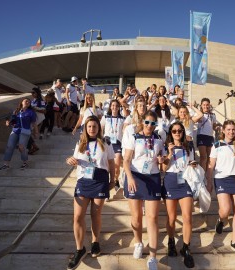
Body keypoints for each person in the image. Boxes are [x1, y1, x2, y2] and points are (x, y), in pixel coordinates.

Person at [66, 116, 115, 270]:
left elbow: (112, 163)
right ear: (85, 129)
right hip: (83, 180)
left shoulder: (106, 143)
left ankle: (95, 242)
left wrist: (113, 180)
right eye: (89, 127)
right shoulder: (80, 143)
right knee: (78, 216)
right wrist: (70, 160)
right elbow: (75, 160)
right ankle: (80, 249)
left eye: (94, 126)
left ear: (98, 128)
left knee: (95, 214)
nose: (92, 129)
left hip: (100, 180)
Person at [123, 111, 164, 270]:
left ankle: (153, 257)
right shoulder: (134, 137)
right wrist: (130, 178)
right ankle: (138, 242)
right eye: (147, 122)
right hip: (135, 177)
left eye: (153, 124)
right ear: (142, 122)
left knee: (152, 218)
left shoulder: (159, 139)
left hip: (152, 177)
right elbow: (126, 161)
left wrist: (162, 159)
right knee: (136, 216)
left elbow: (163, 159)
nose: (149, 126)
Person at [206, 120, 235, 257]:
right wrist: (209, 181)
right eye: (228, 129)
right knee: (225, 210)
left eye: (233, 129)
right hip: (221, 179)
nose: (231, 132)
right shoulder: (217, 145)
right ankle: (221, 220)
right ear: (223, 131)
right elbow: (211, 165)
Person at [162, 122, 196, 268]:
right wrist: (169, 153)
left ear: (182, 132)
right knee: (171, 217)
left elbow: (193, 161)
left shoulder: (188, 146)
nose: (177, 133)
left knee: (187, 216)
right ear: (171, 132)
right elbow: (163, 168)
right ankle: (171, 241)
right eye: (174, 131)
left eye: (179, 131)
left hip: (185, 181)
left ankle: (186, 248)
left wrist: (194, 164)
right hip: (170, 180)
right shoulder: (165, 146)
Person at [0, 98, 38, 171]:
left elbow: (34, 123)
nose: (28, 102)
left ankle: (25, 162)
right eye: (26, 101)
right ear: (22, 102)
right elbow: (13, 121)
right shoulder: (16, 111)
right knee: (9, 146)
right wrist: (8, 123)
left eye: (29, 101)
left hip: (25, 131)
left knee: (21, 147)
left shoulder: (31, 112)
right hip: (15, 130)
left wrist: (36, 132)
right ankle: (6, 164)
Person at [100, 100, 125, 189]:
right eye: (113, 105)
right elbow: (100, 128)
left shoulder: (122, 119)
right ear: (110, 107)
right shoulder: (105, 117)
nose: (114, 107)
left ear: (119, 107)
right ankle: (107, 184)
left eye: (116, 106)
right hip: (107, 143)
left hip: (117, 144)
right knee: (107, 165)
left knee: (117, 165)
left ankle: (115, 180)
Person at [197, 98, 219, 172]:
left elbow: (214, 126)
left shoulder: (213, 115)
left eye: (207, 105)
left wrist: (217, 128)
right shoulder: (199, 114)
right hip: (201, 136)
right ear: (201, 105)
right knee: (203, 157)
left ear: (209, 105)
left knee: (210, 157)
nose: (205, 106)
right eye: (204, 105)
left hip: (210, 137)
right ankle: (202, 175)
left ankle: (207, 174)